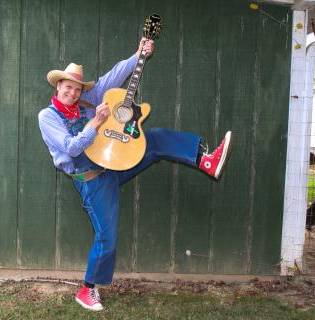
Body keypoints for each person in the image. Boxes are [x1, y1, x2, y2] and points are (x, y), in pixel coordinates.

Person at [38, 38, 232, 311]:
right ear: (58, 86)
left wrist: (138, 54)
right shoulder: (48, 117)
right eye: (68, 87)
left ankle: (205, 160)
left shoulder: (86, 100)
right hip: (93, 179)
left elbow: (113, 76)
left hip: (115, 161)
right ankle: (87, 289)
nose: (72, 92)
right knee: (107, 236)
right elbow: (71, 149)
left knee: (155, 139)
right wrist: (96, 122)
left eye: (77, 88)